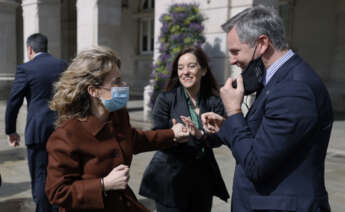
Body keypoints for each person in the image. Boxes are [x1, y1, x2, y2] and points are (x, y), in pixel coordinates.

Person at [201, 5, 333, 212]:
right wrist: (227, 126)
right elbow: (263, 142)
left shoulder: (294, 88)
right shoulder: (278, 79)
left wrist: (234, 112)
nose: (233, 60)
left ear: (262, 43)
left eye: (236, 51)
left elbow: (256, 165)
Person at [44, 46, 190, 212]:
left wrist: (173, 134)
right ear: (93, 91)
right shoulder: (66, 135)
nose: (124, 85)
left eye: (121, 79)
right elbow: (57, 192)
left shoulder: (118, 115)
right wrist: (103, 185)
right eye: (116, 82)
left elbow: (134, 139)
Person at [139, 47, 229, 212]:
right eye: (180, 68)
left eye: (191, 66)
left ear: (203, 70)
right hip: (169, 179)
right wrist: (173, 133)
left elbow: (220, 138)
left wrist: (200, 134)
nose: (185, 72)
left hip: (202, 180)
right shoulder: (166, 99)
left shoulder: (214, 102)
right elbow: (156, 134)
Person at [5, 33, 67, 212]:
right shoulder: (63, 65)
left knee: (40, 174)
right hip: (62, 129)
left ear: (30, 49)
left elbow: (13, 102)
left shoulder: (26, 69)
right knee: (59, 173)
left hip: (38, 131)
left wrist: (11, 131)